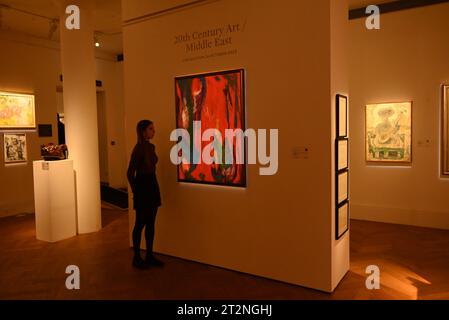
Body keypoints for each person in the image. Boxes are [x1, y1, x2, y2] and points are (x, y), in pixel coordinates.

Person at [127, 120, 164, 269]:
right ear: (143, 132)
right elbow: (130, 173)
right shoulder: (139, 149)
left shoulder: (150, 147)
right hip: (143, 186)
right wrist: (136, 191)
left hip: (152, 184)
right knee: (140, 223)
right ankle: (136, 257)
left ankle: (149, 255)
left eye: (153, 128)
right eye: (150, 129)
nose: (153, 131)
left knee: (151, 223)